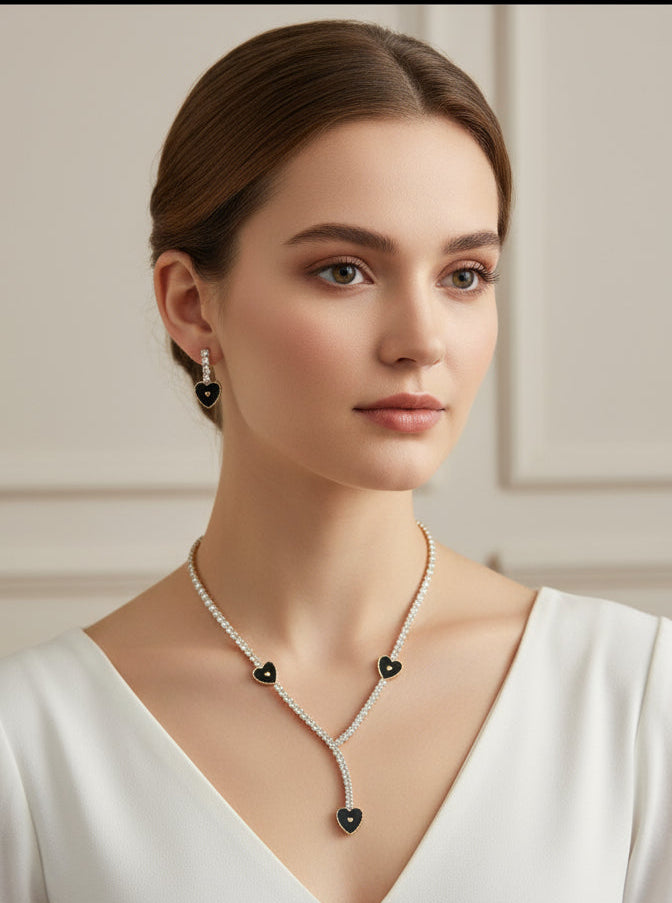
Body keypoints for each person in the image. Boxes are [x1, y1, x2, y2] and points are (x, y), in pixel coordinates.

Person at [0, 18, 670, 903]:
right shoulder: (32, 742)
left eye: (464, 274)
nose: (422, 340)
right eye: (345, 270)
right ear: (192, 303)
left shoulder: (634, 700)